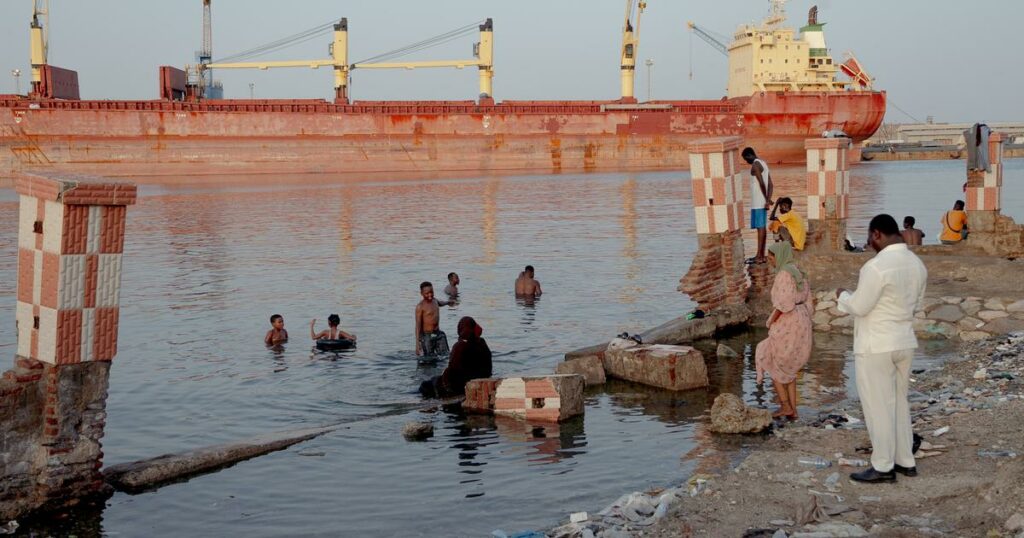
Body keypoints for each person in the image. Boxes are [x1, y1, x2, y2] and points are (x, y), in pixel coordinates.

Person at [836, 214, 927, 483]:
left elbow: (860, 306)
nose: (868, 243)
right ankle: (905, 461)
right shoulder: (917, 264)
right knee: (899, 402)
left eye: (869, 238)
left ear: (877, 234)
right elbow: (917, 306)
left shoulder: (876, 267)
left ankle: (883, 466)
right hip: (904, 341)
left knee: (879, 406)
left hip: (876, 344)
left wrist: (842, 295)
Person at [754, 242, 813, 419]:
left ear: (779, 256)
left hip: (789, 320)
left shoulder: (784, 274)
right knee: (789, 367)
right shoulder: (798, 272)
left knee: (773, 361)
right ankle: (793, 410)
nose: (769, 260)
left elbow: (785, 303)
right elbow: (809, 299)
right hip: (802, 318)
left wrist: (772, 319)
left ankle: (785, 406)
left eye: (771, 256)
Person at [419, 316, 492, 398]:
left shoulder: (459, 346)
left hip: (458, 385)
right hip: (478, 379)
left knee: (425, 385)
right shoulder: (482, 343)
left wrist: (444, 380)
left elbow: (452, 370)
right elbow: (488, 369)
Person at [742, 147, 774, 264]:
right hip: (761, 202)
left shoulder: (755, 165)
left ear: (750, 155)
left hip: (758, 203)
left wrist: (766, 200)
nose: (746, 162)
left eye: (746, 159)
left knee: (760, 229)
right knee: (762, 228)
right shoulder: (763, 163)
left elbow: (762, 183)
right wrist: (768, 199)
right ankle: (761, 255)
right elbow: (770, 184)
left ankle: (759, 257)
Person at [416, 281, 453, 357]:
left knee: (446, 356)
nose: (430, 295)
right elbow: (418, 326)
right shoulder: (420, 307)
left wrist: (448, 302)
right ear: (421, 293)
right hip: (427, 336)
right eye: (427, 293)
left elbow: (440, 303)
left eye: (432, 292)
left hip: (438, 333)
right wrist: (417, 344)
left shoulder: (435, 300)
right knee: (429, 359)